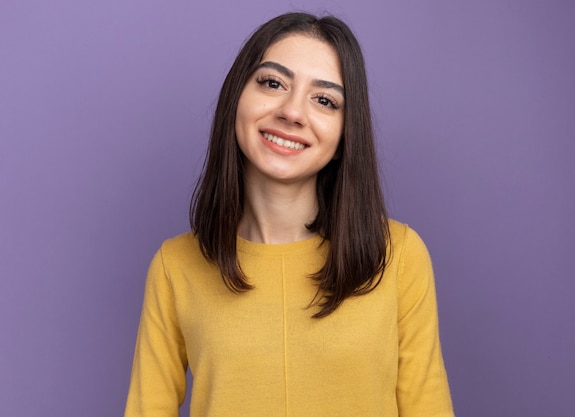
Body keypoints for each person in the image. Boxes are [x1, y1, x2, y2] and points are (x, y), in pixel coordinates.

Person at [124, 12, 454, 417]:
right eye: (272, 82)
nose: (293, 112)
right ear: (236, 99)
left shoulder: (400, 256)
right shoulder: (174, 266)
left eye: (325, 100)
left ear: (343, 136)